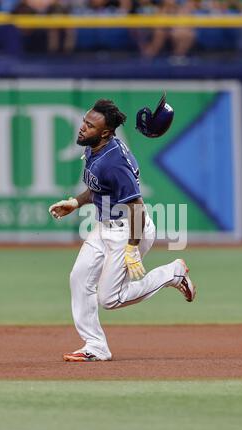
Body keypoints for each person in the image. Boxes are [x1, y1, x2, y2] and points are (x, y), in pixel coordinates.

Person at [49, 99, 196, 362]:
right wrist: (75, 202)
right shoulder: (97, 148)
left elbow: (137, 207)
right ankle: (95, 346)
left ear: (105, 132)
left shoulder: (113, 161)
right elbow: (99, 186)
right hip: (104, 228)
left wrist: (131, 248)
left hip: (128, 230)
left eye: (90, 125)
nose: (82, 127)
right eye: (84, 121)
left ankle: (172, 273)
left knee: (110, 298)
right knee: (79, 278)